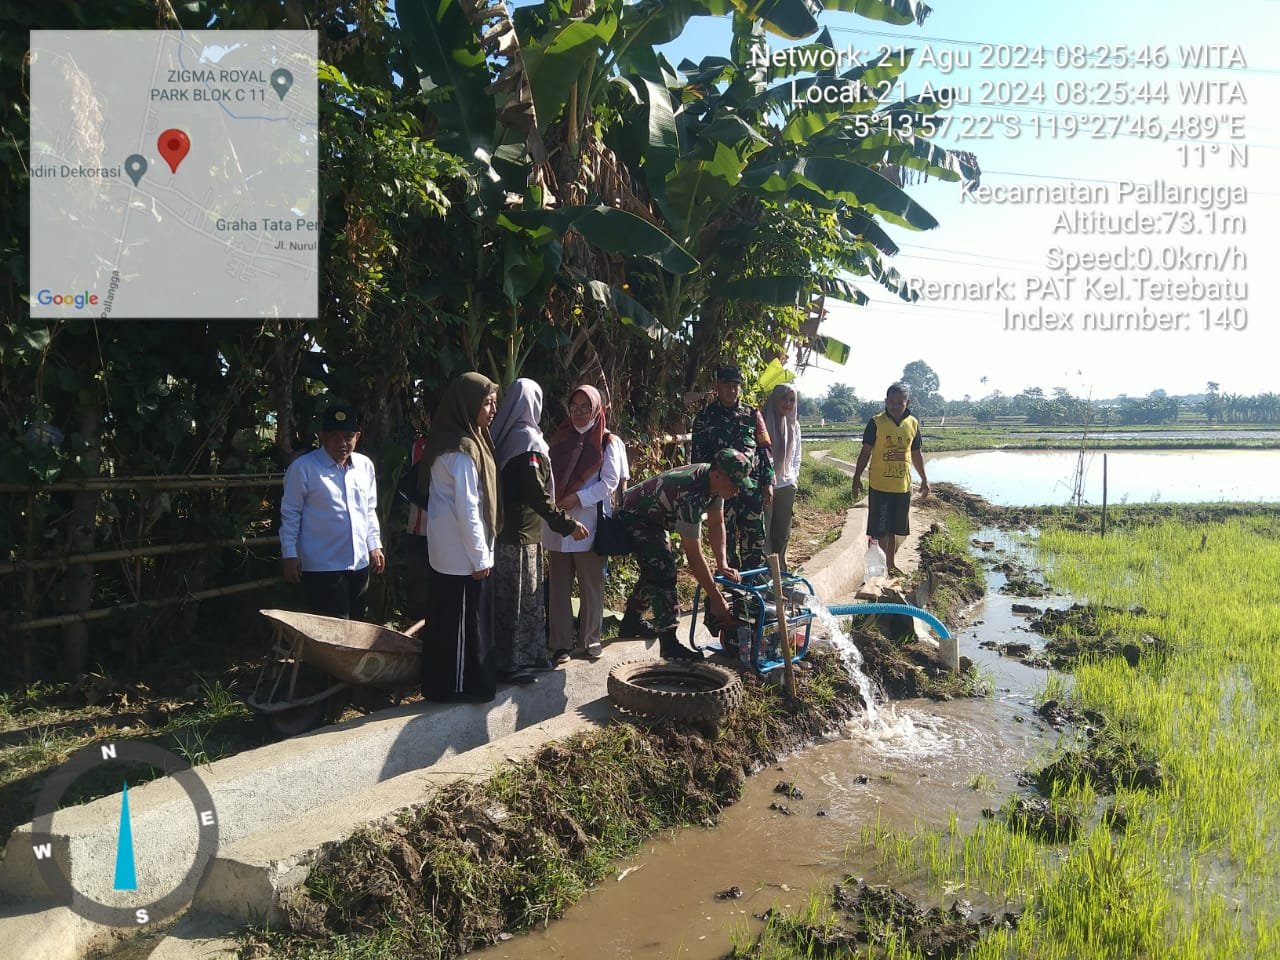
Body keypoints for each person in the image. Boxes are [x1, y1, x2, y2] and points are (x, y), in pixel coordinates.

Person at [490, 379, 589, 684]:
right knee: (517, 601)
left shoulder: (507, 438)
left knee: (527, 600)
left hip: (519, 534)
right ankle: (510, 664)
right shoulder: (526, 442)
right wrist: (567, 524)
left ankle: (530, 656)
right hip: (518, 537)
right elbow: (536, 493)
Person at [615, 448, 754, 660]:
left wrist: (722, 563)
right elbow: (694, 556)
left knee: (654, 566)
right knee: (663, 569)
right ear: (717, 475)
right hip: (634, 514)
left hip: (656, 518)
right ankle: (669, 643)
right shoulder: (691, 492)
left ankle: (631, 622)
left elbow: (717, 523)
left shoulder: (715, 485)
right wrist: (716, 598)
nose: (737, 490)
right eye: (734, 484)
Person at [420, 373, 501, 703]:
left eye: (494, 402)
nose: (492, 409)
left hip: (449, 550)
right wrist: (481, 558)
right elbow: (469, 508)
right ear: (468, 405)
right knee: (465, 626)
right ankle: (460, 688)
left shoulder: (451, 439)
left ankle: (443, 685)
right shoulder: (463, 450)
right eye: (486, 402)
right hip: (463, 555)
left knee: (447, 622)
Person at [543, 385, 629, 663]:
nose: (579, 413)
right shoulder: (558, 439)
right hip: (559, 524)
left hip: (588, 524)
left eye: (585, 407)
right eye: (574, 407)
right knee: (559, 587)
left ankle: (591, 639)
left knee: (591, 586)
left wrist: (578, 498)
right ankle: (560, 644)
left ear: (596, 409)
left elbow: (610, 483)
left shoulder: (607, 441)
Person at [280, 404, 385, 620]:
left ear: (357, 436)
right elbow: (291, 513)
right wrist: (289, 553)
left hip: (359, 563)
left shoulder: (365, 466)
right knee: (332, 631)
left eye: (348, 436)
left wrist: (374, 545)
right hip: (322, 565)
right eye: (334, 436)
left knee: (357, 627)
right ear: (322, 436)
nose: (342, 443)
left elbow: (369, 509)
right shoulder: (304, 468)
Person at [691, 365, 773, 573]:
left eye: (736, 386)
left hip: (750, 486)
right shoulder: (704, 417)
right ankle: (731, 585)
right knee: (724, 537)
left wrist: (768, 482)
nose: (732, 390)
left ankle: (753, 585)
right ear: (717, 386)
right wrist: (702, 489)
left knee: (754, 537)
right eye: (727, 385)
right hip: (720, 489)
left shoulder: (753, 415)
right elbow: (698, 456)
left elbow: (764, 450)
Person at [851, 382, 930, 575]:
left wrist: (924, 479)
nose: (895, 406)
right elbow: (866, 451)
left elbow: (916, 453)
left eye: (899, 402)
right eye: (891, 402)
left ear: (907, 402)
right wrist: (856, 477)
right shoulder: (876, 422)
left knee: (894, 529)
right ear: (886, 401)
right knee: (879, 529)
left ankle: (890, 564)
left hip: (902, 486)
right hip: (880, 486)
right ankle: (879, 568)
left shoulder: (912, 423)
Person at [762, 384, 802, 571]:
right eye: (784, 399)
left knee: (782, 532)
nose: (787, 404)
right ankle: (765, 572)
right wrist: (765, 480)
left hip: (786, 485)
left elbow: (796, 455)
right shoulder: (761, 423)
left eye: (791, 400)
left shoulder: (794, 425)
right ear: (775, 400)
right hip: (764, 485)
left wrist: (793, 477)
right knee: (764, 531)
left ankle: (781, 571)